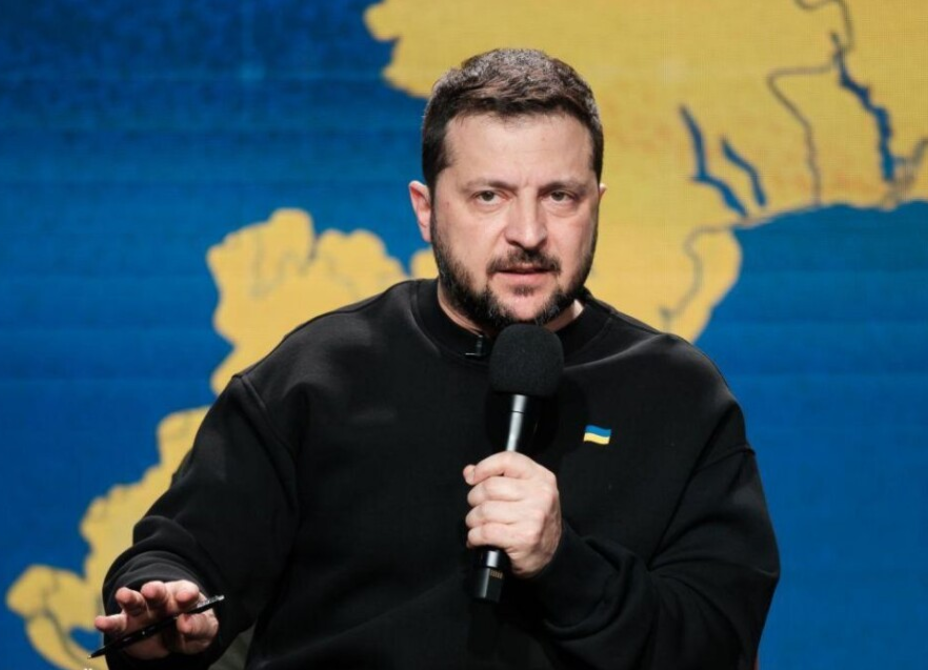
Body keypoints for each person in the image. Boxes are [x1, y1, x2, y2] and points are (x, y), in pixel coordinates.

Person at [96, 48, 779, 669]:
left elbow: (717, 645)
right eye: (490, 196)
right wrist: (162, 613)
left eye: (559, 197)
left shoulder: (678, 396)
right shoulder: (321, 374)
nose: (528, 233)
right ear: (425, 210)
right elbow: (181, 557)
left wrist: (563, 564)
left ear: (596, 206)